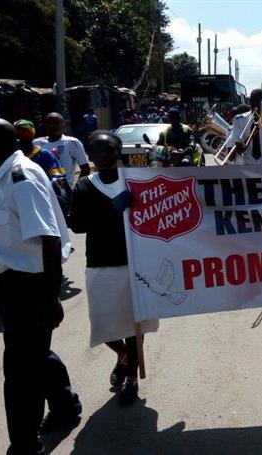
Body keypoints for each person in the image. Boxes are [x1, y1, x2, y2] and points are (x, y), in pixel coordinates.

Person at [0, 118, 80, 455]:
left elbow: (49, 238)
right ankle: (65, 406)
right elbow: (10, 238)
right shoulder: (4, 176)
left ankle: (24, 445)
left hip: (32, 287)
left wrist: (50, 298)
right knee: (34, 357)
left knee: (21, 373)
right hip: (16, 283)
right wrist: (0, 281)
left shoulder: (22, 179)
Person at [69, 131, 159, 406]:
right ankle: (123, 355)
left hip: (136, 263)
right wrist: (112, 209)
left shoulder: (134, 181)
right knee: (104, 325)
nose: (105, 155)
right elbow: (77, 225)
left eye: (110, 149)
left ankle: (131, 378)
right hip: (101, 264)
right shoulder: (83, 187)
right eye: (99, 150)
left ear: (119, 152)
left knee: (135, 325)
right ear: (90, 156)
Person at [14, 120, 72, 218]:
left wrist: (44, 188)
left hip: (45, 202)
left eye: (22, 135)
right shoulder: (14, 158)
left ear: (30, 136)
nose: (18, 139)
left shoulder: (44, 155)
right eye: (16, 136)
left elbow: (59, 177)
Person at [226, 89, 262, 164]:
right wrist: (252, 134)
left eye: (259, 102)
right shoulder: (240, 120)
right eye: (253, 102)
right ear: (249, 102)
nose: (256, 105)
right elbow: (239, 150)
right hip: (249, 165)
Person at [33, 113, 90, 188]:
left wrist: (76, 189)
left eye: (56, 123)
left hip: (64, 191)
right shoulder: (36, 143)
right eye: (49, 123)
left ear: (63, 125)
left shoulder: (72, 143)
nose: (52, 126)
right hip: (44, 190)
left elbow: (85, 169)